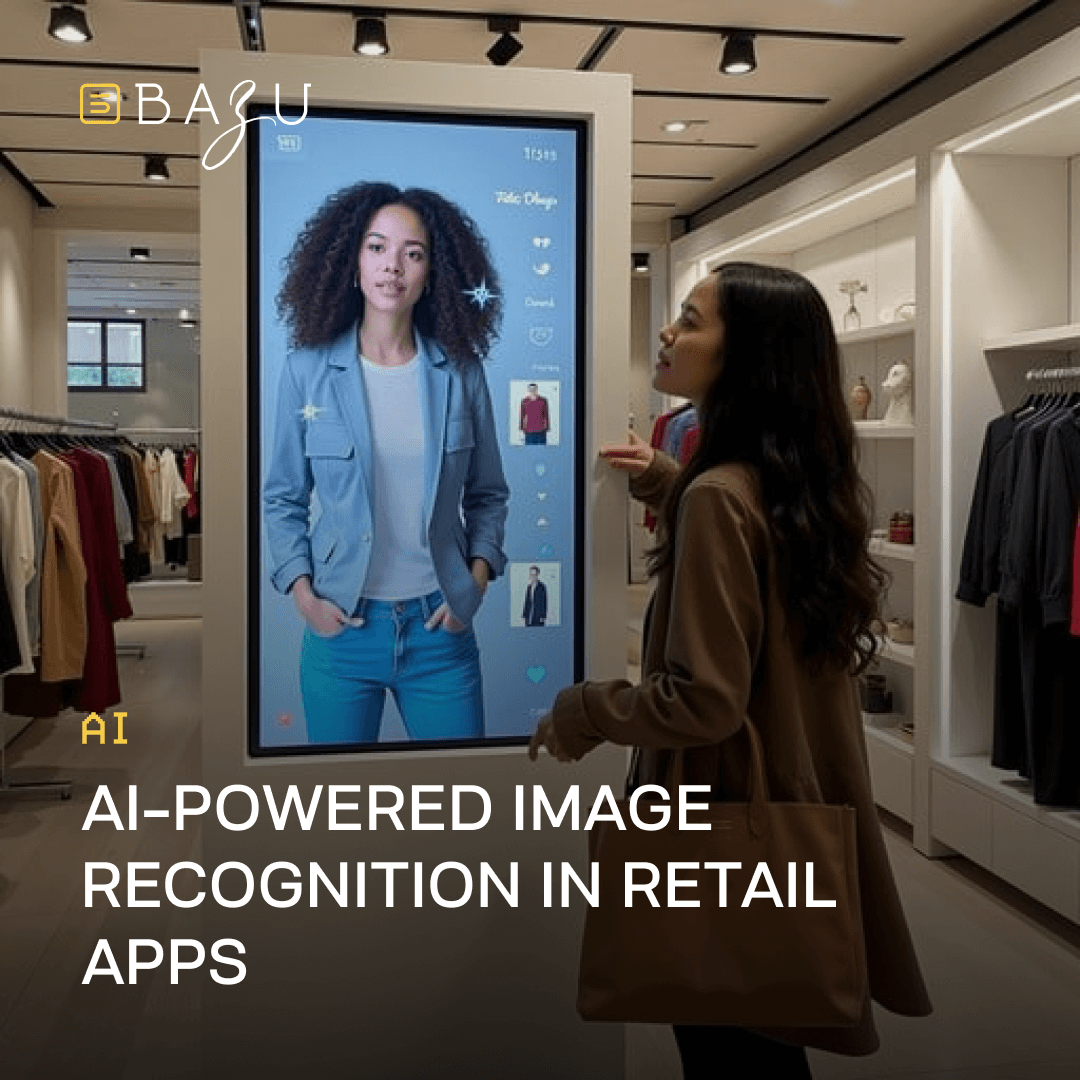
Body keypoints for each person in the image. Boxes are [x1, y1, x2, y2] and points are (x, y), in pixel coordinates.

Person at [529, 263, 931, 1076]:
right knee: (761, 1040)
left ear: (746, 357)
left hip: (719, 805)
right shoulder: (786, 484)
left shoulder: (722, 497)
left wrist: (583, 711)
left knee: (728, 1042)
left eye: (690, 319)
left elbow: (702, 701)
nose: (668, 333)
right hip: (790, 789)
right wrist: (671, 483)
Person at [264, 182, 509, 744]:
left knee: (456, 815)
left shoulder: (463, 371)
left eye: (412, 253)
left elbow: (489, 493)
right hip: (342, 633)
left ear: (431, 273)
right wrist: (304, 596)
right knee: (341, 820)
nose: (392, 266)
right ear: (352, 262)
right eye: (377, 248)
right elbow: (282, 497)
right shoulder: (307, 371)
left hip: (440, 632)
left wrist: (475, 582)